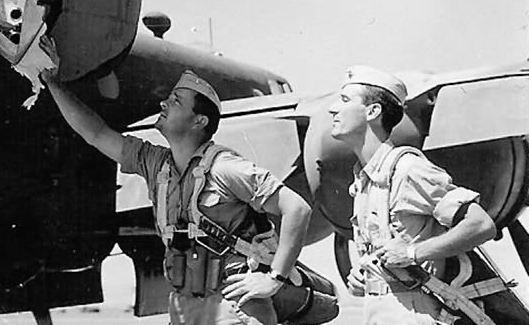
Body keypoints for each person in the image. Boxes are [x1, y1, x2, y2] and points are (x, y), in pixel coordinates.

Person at [39, 37, 312, 325]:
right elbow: (95, 133)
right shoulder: (154, 163)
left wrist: (275, 279)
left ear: (199, 121)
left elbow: (297, 208)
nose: (163, 103)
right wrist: (53, 82)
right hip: (184, 309)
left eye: (176, 101)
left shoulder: (225, 168)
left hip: (234, 312)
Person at [328, 65, 497, 324]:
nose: (332, 109)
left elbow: (481, 225)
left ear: (373, 111)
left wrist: (412, 253)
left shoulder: (407, 169)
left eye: (344, 101)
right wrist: (362, 277)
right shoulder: (365, 178)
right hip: (377, 311)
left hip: (414, 312)